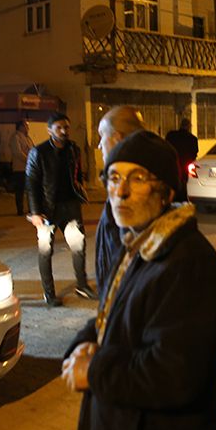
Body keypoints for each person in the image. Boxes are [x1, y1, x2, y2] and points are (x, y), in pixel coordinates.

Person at [61, 131, 216, 430]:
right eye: (114, 177)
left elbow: (173, 375)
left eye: (137, 178)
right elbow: (112, 316)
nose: (120, 191)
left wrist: (94, 371)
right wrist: (80, 345)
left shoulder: (187, 264)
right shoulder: (138, 242)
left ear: (167, 192)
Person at [26, 112, 96, 306]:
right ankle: (49, 293)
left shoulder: (73, 149)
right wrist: (35, 212)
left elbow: (77, 175)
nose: (64, 131)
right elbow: (31, 183)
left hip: (70, 205)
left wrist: (80, 192)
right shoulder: (38, 152)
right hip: (47, 209)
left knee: (78, 246)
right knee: (45, 249)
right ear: (49, 130)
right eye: (59, 128)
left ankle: (82, 285)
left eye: (66, 127)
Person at [91, 105, 145, 294]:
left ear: (118, 138)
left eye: (101, 135)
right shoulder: (122, 178)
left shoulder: (133, 184)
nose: (99, 145)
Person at [164, 117, 198, 202]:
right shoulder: (192, 138)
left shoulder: (171, 135)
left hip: (173, 162)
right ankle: (183, 198)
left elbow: (166, 146)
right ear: (189, 127)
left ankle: (172, 198)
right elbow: (195, 152)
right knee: (185, 181)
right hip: (186, 163)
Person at [9, 120, 35, 216]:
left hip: (29, 168)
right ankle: (20, 209)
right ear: (20, 127)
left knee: (30, 189)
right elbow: (18, 152)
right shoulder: (15, 137)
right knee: (19, 190)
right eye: (25, 126)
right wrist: (29, 160)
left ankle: (31, 208)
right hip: (19, 168)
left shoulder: (27, 138)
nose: (27, 128)